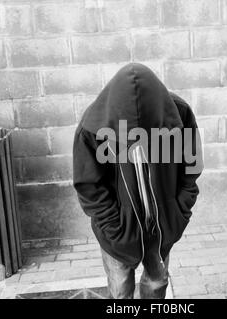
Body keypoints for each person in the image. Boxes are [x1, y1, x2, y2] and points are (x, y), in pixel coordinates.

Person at [73, 63, 203, 299]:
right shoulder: (93, 126)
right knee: (120, 289)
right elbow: (89, 186)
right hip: (117, 231)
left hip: (161, 225)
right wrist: (114, 227)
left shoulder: (179, 114)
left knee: (157, 283)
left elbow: (191, 167)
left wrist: (179, 209)